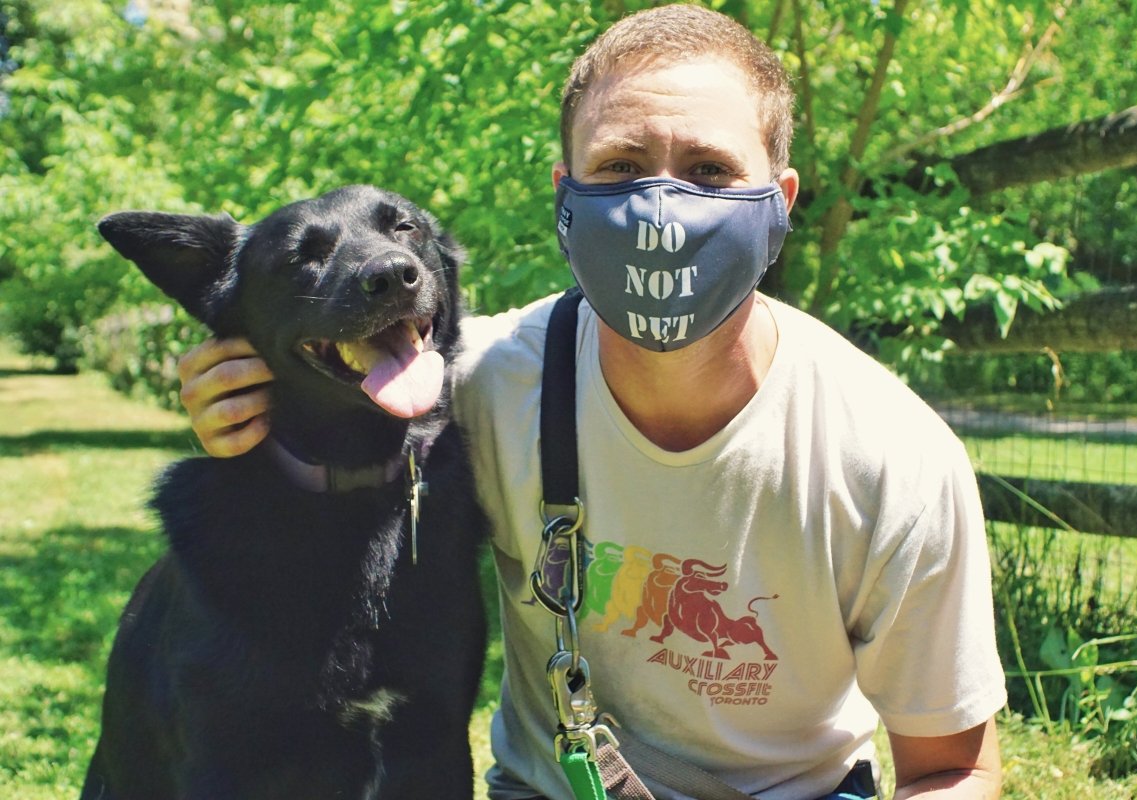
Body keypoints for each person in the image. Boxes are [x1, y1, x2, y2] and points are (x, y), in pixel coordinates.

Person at [177, 5, 1006, 799]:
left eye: (710, 171)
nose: (660, 208)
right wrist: (236, 404)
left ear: (780, 203)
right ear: (565, 196)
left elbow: (953, 771)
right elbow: (326, 413)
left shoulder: (891, 458)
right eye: (620, 168)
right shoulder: (481, 385)